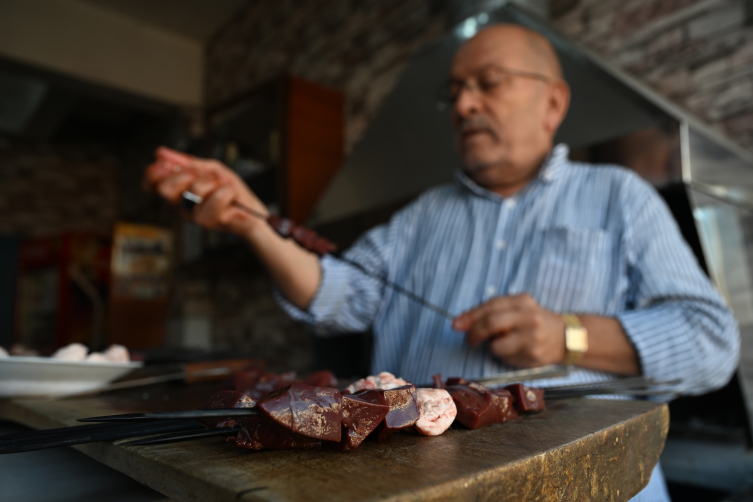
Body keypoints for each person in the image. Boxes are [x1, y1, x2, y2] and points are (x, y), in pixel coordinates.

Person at [145, 24, 739, 501]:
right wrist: (250, 218)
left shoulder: (619, 194)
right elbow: (336, 296)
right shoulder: (422, 213)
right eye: (453, 92)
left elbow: (712, 343)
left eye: (489, 82)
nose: (464, 104)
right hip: (417, 485)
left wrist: (569, 334)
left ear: (552, 102)